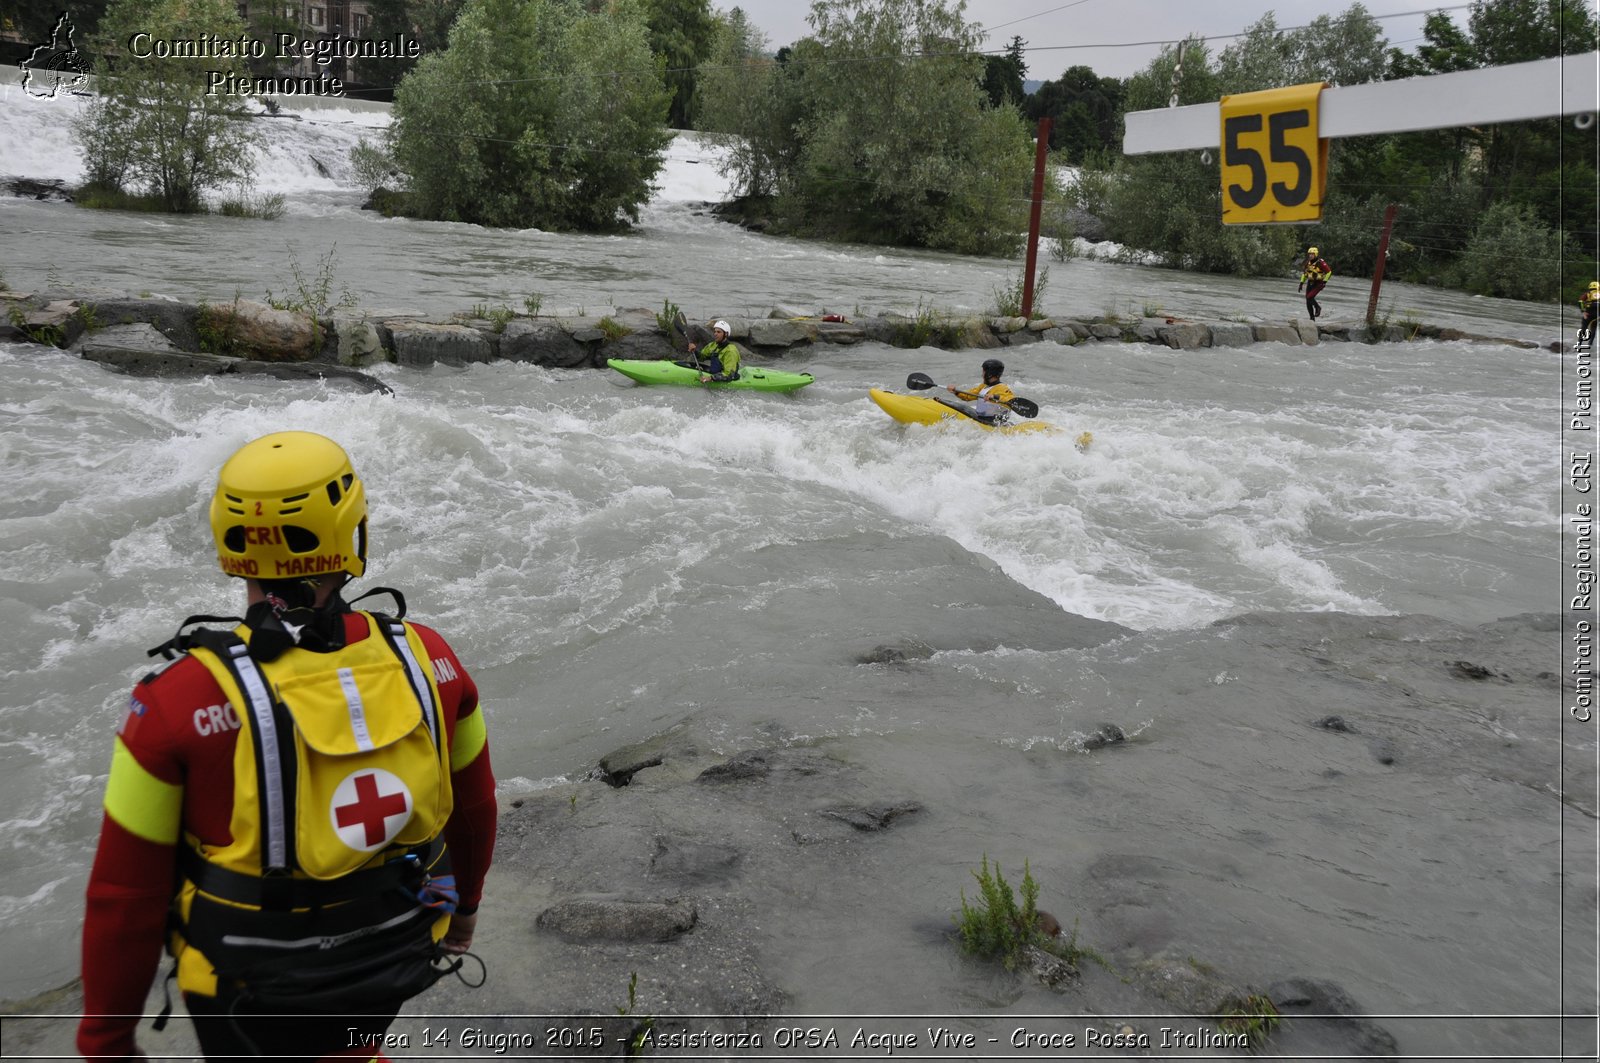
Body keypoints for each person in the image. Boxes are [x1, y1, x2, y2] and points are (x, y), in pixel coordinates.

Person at [77, 430, 498, 1061]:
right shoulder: (429, 657)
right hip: (400, 944)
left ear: (228, 541)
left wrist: (107, 1040)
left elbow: (123, 897)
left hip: (249, 987)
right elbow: (475, 809)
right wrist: (464, 910)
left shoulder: (174, 701)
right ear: (353, 532)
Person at [947, 358, 1015, 422]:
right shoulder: (983, 386)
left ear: (989, 374)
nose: (982, 375)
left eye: (983, 372)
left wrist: (995, 397)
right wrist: (956, 391)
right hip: (982, 418)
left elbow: (1011, 401)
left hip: (995, 421)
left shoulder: (1002, 388)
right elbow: (968, 396)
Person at [1298, 247, 1332, 320]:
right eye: (1309, 254)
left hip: (1319, 283)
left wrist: (1324, 281)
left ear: (1316, 254)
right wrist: (1301, 283)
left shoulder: (1321, 263)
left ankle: (1318, 307)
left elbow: (1329, 272)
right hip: (1310, 282)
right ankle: (1312, 318)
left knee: (1309, 297)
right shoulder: (1308, 262)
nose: (1310, 256)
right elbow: (1305, 274)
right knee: (1308, 301)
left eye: (1312, 254)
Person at [1579, 280, 1598, 348]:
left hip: (1588, 314)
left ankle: (1579, 344)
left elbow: (1580, 301)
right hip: (1597, 316)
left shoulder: (1587, 294)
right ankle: (1590, 344)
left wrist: (1583, 311)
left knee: (1583, 329)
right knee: (1593, 329)